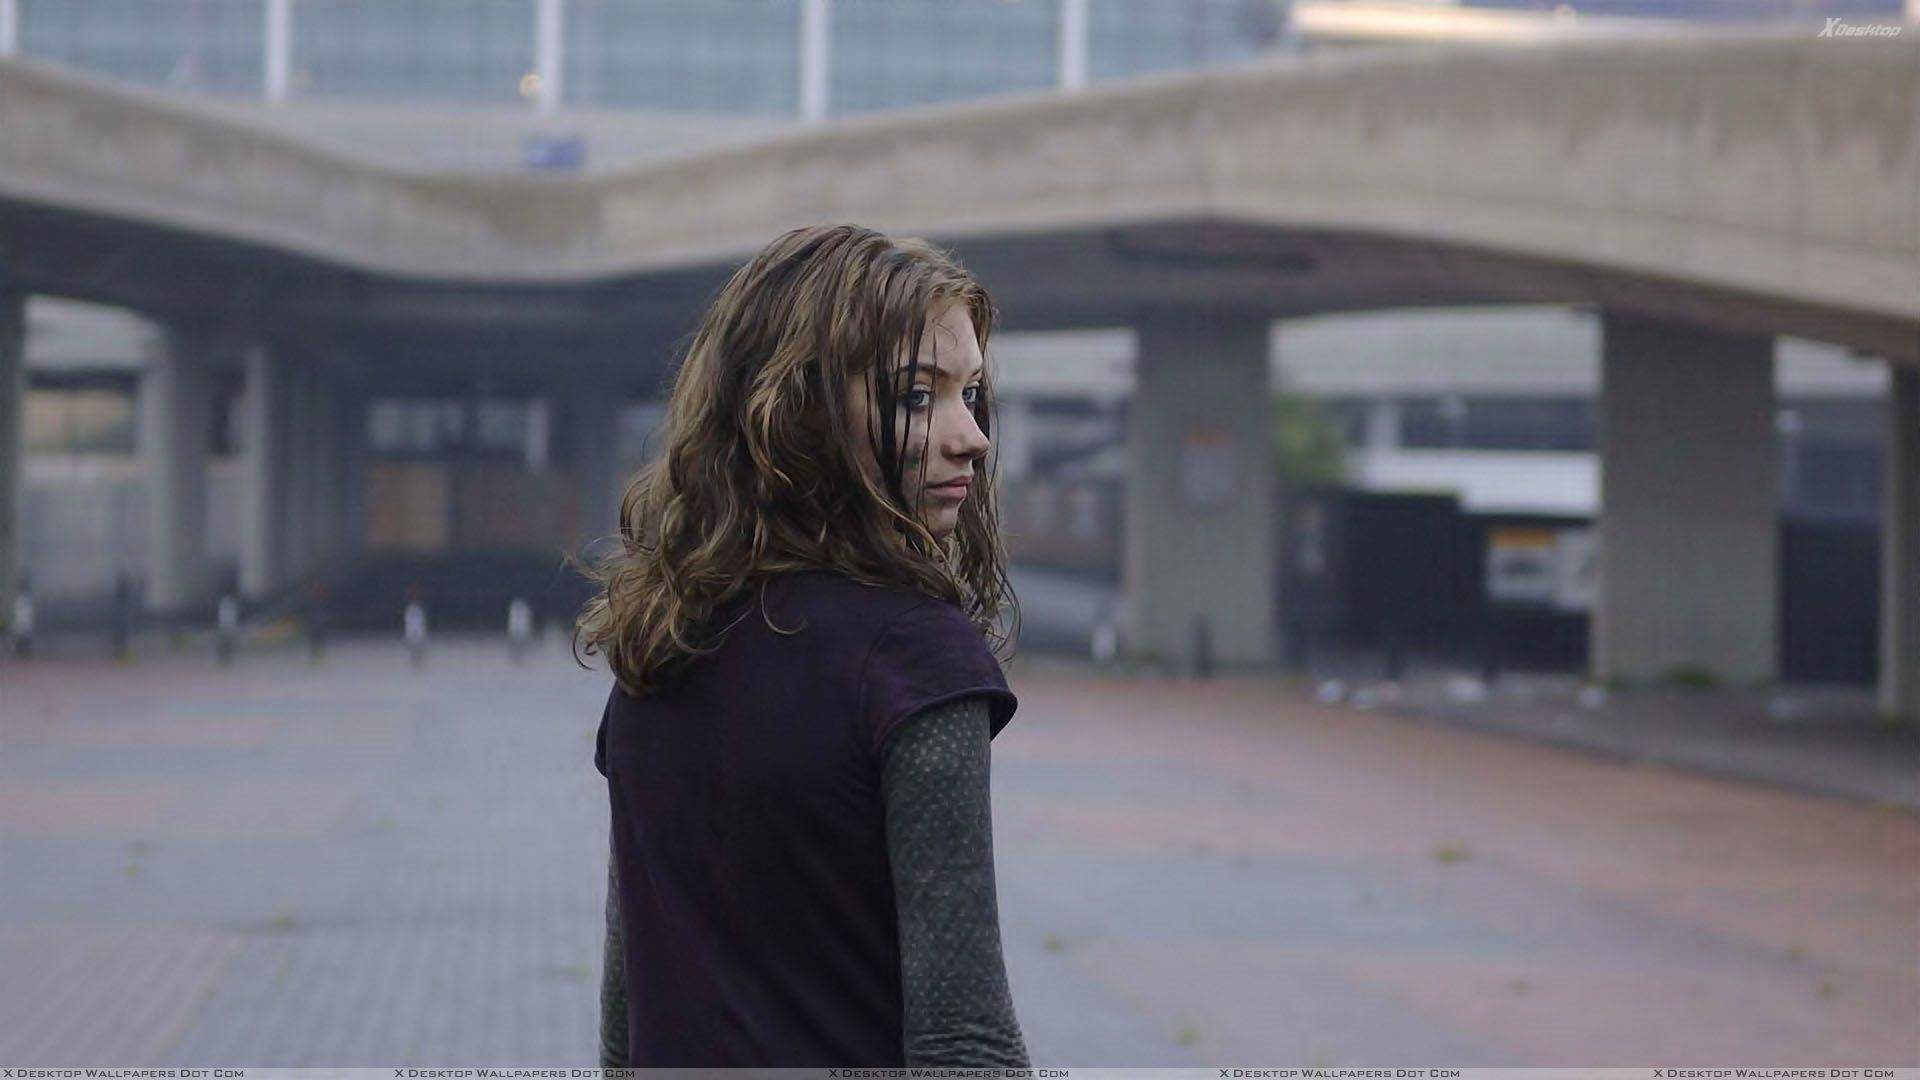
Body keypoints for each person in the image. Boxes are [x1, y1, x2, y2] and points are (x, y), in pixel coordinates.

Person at [574, 224, 1030, 1068]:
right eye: (916, 397)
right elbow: (965, 1039)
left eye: (970, 394)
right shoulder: (914, 662)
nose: (971, 436)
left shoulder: (660, 643)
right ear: (798, 413)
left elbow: (624, 1013)